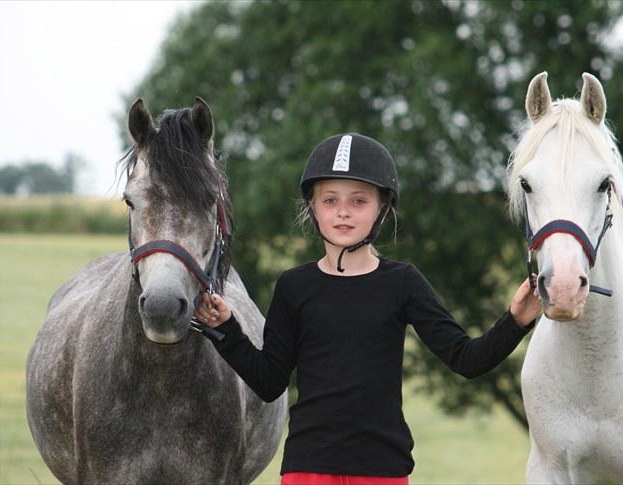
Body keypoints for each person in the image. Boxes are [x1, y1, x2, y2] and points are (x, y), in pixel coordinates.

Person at [194, 133, 541, 485]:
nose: (343, 212)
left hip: (382, 470)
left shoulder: (404, 283)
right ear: (312, 207)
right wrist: (227, 331)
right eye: (330, 200)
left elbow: (466, 359)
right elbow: (269, 382)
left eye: (358, 201)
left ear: (383, 208)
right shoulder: (293, 286)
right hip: (307, 470)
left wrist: (516, 320)